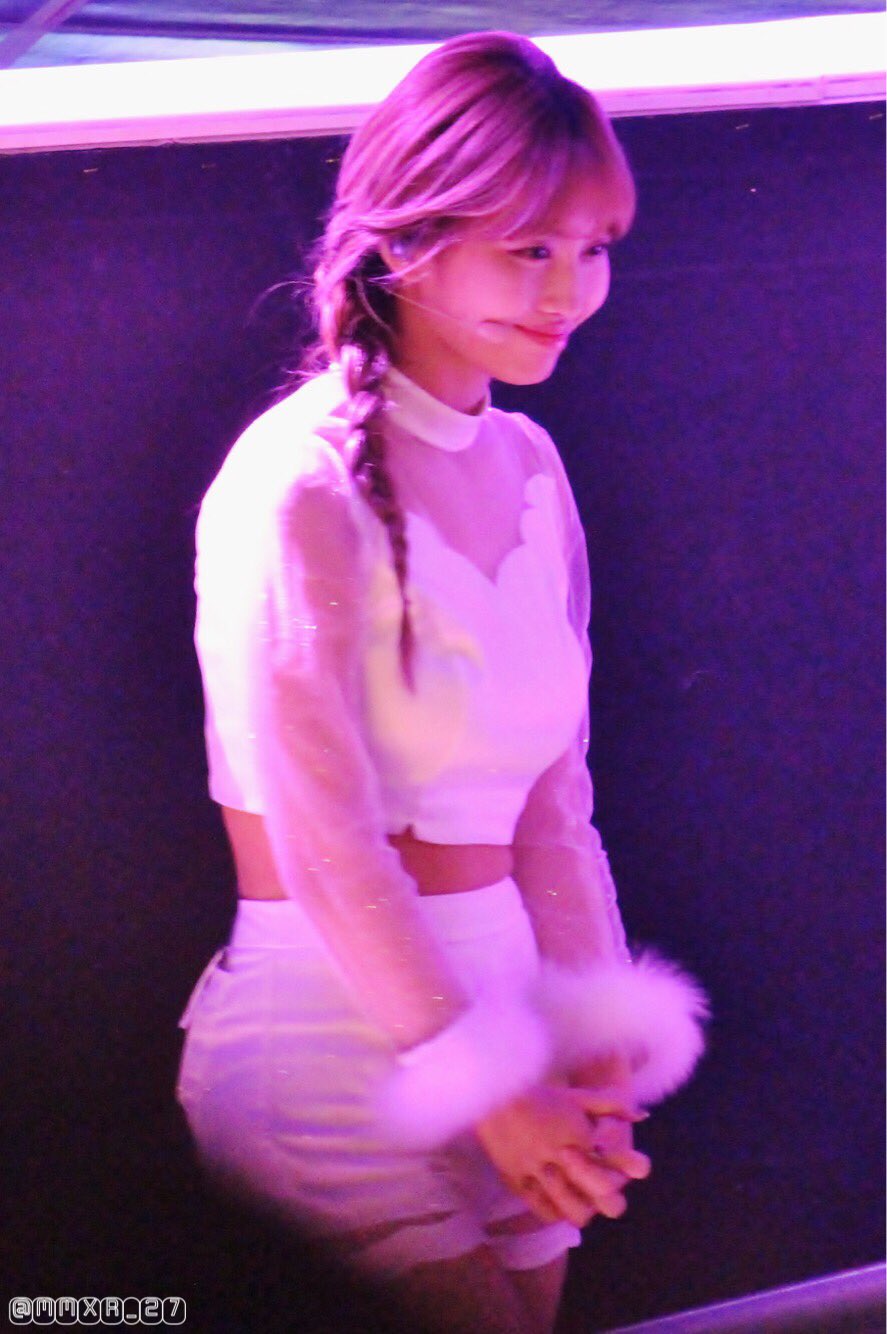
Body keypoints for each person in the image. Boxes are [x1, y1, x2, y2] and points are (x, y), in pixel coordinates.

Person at [176, 30, 708, 1334]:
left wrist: (590, 1041)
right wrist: (484, 1082)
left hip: (516, 1032)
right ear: (410, 238)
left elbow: (554, 812)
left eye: (595, 249)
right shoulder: (295, 482)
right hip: (330, 1052)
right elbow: (325, 845)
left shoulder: (530, 467)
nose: (570, 289)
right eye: (529, 249)